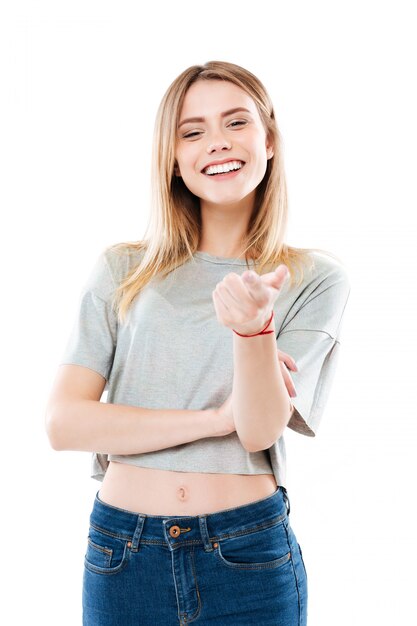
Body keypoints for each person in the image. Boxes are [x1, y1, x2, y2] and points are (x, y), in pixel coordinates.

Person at [45, 60, 350, 625]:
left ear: (270, 139)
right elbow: (65, 424)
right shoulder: (125, 269)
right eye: (192, 131)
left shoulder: (312, 277)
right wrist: (213, 421)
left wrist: (253, 330)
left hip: (247, 555)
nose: (217, 143)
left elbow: (259, 429)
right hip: (123, 554)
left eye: (236, 123)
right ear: (174, 157)